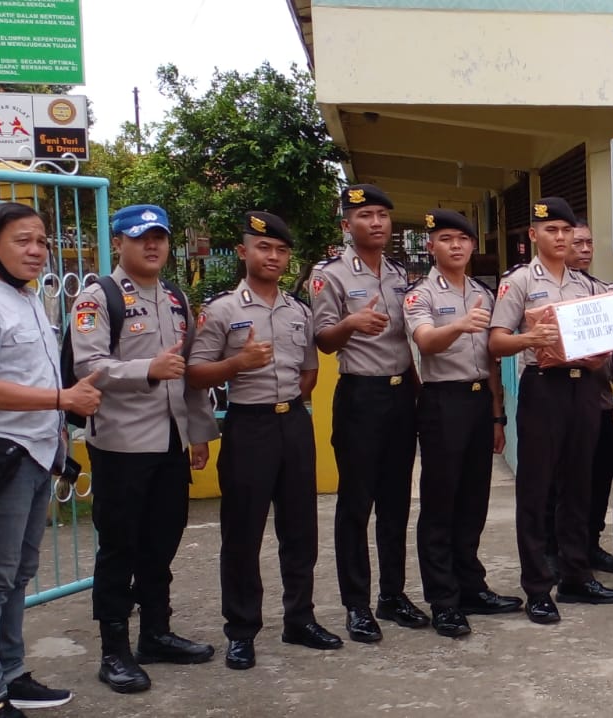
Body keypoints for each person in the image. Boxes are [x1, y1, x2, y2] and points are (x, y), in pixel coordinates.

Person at [0, 202, 97, 717]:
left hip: (35, 454)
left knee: (17, 573)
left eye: (41, 241)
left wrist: (57, 436)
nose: (35, 251)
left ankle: (11, 673)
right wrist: (63, 402)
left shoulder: (29, 296)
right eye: (22, 241)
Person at [71, 204, 218, 694]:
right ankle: (114, 649)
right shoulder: (99, 298)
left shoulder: (175, 297)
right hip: (121, 446)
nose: (152, 245)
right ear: (119, 243)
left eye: (159, 237)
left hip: (170, 443)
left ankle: (156, 632)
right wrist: (145, 370)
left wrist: (198, 433)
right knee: (119, 547)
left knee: (162, 541)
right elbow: (88, 364)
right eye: (140, 238)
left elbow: (189, 374)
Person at [189, 211, 341, 670]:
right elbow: (195, 373)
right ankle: (241, 629)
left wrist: (289, 404)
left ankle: (300, 618)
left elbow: (310, 371)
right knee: (242, 533)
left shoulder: (299, 310)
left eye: (280, 250)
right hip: (247, 427)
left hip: (293, 424)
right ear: (243, 252)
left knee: (300, 529)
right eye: (263, 248)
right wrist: (239, 364)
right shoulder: (220, 310)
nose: (272, 256)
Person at [489, 197, 613, 625]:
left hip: (583, 388)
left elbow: (603, 343)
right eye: (552, 230)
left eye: (567, 230)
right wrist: (531, 339)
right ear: (533, 235)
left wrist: (596, 356)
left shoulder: (588, 286)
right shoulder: (521, 282)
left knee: (578, 485)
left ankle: (576, 576)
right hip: (543, 388)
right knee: (537, 489)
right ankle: (537, 588)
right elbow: (496, 341)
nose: (562, 238)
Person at [309, 185, 427, 644]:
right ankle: (356, 605)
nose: (377, 222)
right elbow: (323, 340)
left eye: (382, 214)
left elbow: (407, 341)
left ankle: (392, 595)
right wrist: (350, 324)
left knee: (397, 503)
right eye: (365, 215)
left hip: (401, 397)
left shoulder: (399, 275)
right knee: (356, 505)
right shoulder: (330, 275)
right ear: (346, 225)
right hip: (360, 397)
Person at [404, 209, 523, 637]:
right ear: (432, 246)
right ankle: (443, 599)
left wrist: (496, 415)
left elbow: (491, 361)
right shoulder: (420, 295)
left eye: (463, 239)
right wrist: (459, 324)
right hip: (442, 402)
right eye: (446, 239)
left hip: (477, 403)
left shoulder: (483, 293)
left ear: (474, 245)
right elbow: (425, 342)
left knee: (473, 501)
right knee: (440, 504)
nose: (456, 246)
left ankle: (472, 587)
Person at [567, 221, 613, 575]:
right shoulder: (541, 287)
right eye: (577, 243)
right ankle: (557, 550)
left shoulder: (603, 292)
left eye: (589, 242)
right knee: (563, 482)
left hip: (599, 399)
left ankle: (590, 543)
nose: (585, 249)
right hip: (560, 401)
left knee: (600, 477)